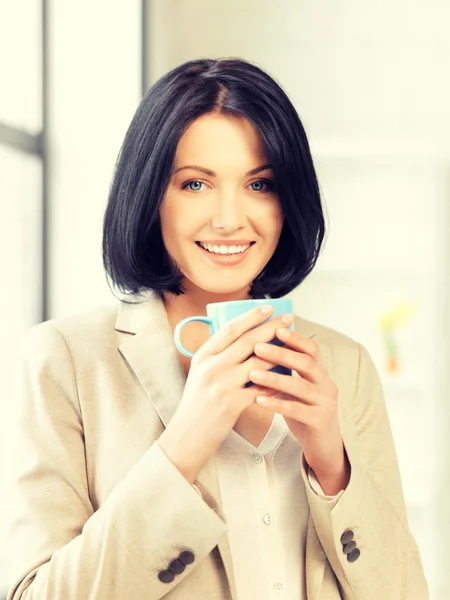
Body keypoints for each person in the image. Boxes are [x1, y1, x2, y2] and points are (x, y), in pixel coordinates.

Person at [4, 58, 428, 600]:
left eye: (259, 183)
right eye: (196, 183)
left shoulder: (346, 365)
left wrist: (334, 469)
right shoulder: (63, 361)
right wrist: (184, 444)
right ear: (151, 194)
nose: (229, 218)